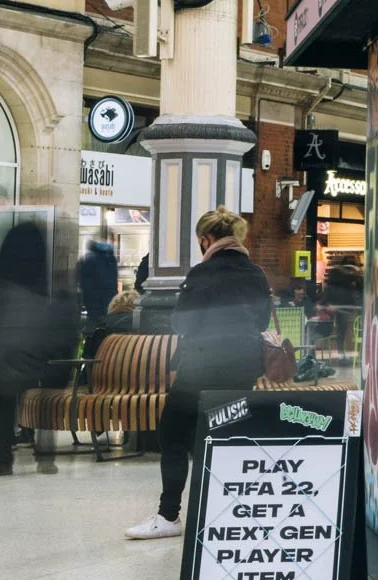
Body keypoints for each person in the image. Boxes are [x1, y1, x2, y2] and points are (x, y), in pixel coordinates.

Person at [125, 208, 272, 539]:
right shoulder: (256, 273)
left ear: (206, 239)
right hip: (244, 367)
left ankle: (168, 516)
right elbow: (262, 323)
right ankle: (228, 513)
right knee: (227, 436)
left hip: (202, 366)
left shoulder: (203, 273)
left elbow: (183, 322)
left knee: (173, 434)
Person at [0, 222, 77, 478]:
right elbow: (62, 327)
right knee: (38, 392)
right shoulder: (46, 287)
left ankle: (2, 457)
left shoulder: (2, 284)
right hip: (39, 363)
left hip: (8, 363)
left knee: (4, 396)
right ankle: (44, 454)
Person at [84, 289, 140, 360]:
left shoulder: (99, 325)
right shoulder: (141, 324)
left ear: (113, 304)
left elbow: (88, 358)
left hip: (100, 369)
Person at [77, 234, 119, 323]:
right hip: (109, 295)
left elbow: (85, 280)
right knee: (107, 319)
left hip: (93, 296)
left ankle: (92, 334)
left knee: (93, 319)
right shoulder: (111, 258)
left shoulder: (89, 259)